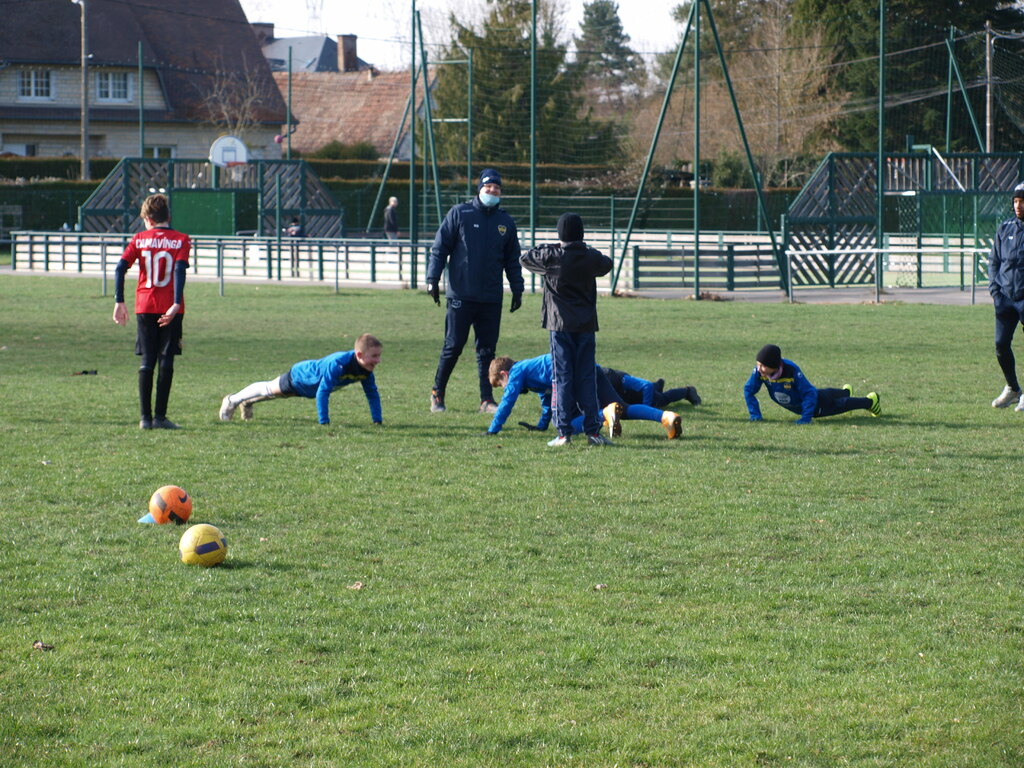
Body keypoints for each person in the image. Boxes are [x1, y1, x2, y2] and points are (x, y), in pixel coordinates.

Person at [426, 168, 524, 415]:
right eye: (488, 186)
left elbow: (512, 259)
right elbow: (440, 248)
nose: (492, 191)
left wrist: (517, 288)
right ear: (480, 188)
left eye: (497, 188)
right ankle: (437, 393)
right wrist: (432, 279)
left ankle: (486, 399)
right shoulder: (460, 213)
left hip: (491, 297)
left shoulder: (505, 222)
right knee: (453, 346)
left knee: (487, 351)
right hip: (461, 295)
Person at [520, 212, 614, 447]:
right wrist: (583, 248)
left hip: (559, 325)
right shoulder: (590, 257)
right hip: (585, 325)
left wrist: (552, 246)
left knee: (562, 378)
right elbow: (607, 264)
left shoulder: (551, 256)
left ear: (560, 234)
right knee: (587, 378)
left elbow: (526, 257)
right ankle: (592, 431)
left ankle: (564, 432)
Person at [112, 193, 191, 430]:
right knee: (166, 359)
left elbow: (120, 268)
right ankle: (160, 417)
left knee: (148, 359)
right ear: (168, 216)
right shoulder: (181, 239)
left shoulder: (139, 239)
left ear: (148, 219)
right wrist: (176, 303)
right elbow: (179, 270)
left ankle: (145, 419)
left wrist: (119, 301)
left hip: (145, 305)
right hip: (171, 307)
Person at [486, 355, 683, 440]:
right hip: (592, 368)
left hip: (571, 375)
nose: (505, 389)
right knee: (623, 408)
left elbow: (507, 402)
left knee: (565, 424)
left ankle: (604, 414)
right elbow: (546, 401)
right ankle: (666, 417)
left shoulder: (518, 371)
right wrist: (541, 426)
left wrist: (493, 430)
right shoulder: (532, 373)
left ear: (504, 374)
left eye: (501, 385)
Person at [219, 334, 383, 426]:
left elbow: (372, 394)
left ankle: (247, 402)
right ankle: (232, 400)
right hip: (302, 376)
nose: (378, 360)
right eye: (374, 356)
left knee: (276, 394)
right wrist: (324, 422)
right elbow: (323, 392)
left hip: (311, 387)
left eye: (379, 356)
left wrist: (377, 421)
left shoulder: (366, 370)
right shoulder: (339, 364)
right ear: (359, 355)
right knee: (270, 389)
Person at [744, 343, 880, 424]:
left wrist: (806, 417)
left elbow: (809, 393)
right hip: (810, 398)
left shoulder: (791, 371)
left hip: (813, 404)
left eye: (763, 365)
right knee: (824, 393)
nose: (759, 368)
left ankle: (870, 401)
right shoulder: (759, 372)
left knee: (838, 405)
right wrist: (755, 415)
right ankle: (846, 392)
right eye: (758, 364)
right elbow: (748, 390)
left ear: (774, 366)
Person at [989, 182, 1024, 411]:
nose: (1018, 206)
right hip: (1005, 299)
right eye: (1016, 201)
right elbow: (994, 261)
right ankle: (1013, 389)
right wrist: (995, 291)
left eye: (1022, 201)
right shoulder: (1005, 227)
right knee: (1001, 345)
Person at [599, 366, 701, 409]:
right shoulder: (594, 379)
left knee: (661, 400)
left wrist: (646, 408)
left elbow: (646, 385)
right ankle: (657, 386)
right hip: (627, 398)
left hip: (638, 394)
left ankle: (687, 391)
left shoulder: (618, 378)